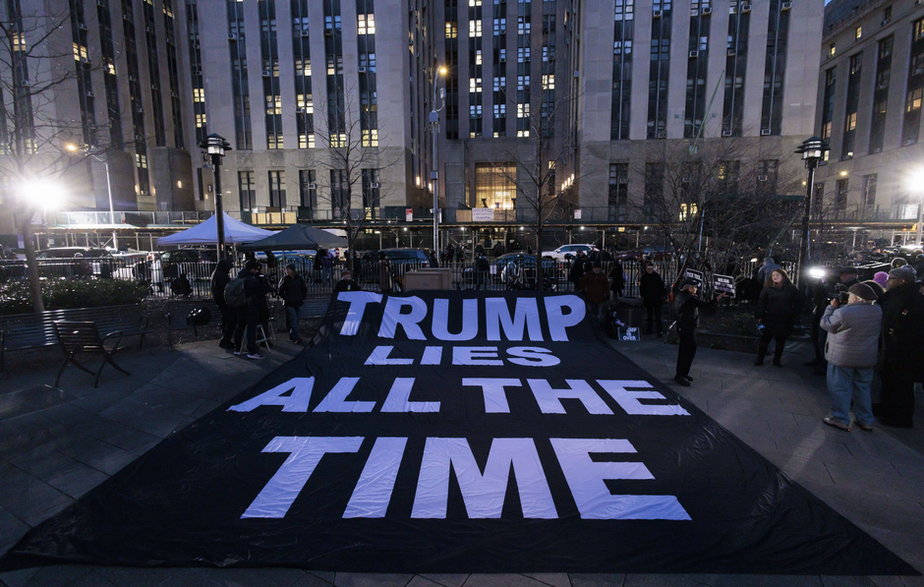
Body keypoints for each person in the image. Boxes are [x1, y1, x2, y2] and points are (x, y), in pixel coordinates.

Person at [819, 282, 882, 431]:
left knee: (840, 387)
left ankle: (840, 417)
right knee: (863, 388)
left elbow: (826, 324)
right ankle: (866, 420)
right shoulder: (877, 311)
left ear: (857, 298)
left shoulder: (843, 312)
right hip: (866, 357)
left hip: (843, 357)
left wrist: (831, 307)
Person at [875, 266, 924, 428]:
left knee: (901, 384)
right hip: (892, 346)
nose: (888, 281)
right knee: (888, 379)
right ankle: (886, 408)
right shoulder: (896, 295)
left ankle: (900, 417)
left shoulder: (912, 299)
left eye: (891, 278)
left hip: (905, 349)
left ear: (902, 281)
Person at [673, 279, 726, 386]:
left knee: (686, 349)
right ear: (689, 288)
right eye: (695, 287)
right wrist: (718, 298)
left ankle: (683, 373)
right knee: (688, 350)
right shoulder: (689, 298)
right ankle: (680, 375)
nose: (696, 289)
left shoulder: (682, 295)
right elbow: (706, 305)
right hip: (686, 327)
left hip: (684, 327)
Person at [754, 268, 801, 367]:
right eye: (773, 275)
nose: (775, 277)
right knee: (764, 340)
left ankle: (777, 360)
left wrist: (793, 314)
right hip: (769, 317)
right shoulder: (767, 288)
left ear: (783, 277)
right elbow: (761, 303)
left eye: (777, 275)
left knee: (780, 341)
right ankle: (760, 358)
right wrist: (759, 315)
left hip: (784, 318)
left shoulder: (791, 289)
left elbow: (798, 302)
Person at [232, 260, 271, 360]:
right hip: (250, 306)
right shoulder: (251, 279)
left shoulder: (240, 276)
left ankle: (238, 348)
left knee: (240, 326)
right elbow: (261, 290)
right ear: (252, 269)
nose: (257, 271)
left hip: (240, 305)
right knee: (251, 328)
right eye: (256, 269)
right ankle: (252, 350)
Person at [278, 264, 308, 345]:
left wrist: (302, 297)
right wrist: (287, 298)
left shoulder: (299, 278)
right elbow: (280, 291)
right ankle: (296, 337)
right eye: (286, 269)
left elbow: (304, 289)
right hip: (289, 303)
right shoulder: (285, 279)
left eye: (288, 269)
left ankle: (292, 335)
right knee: (294, 320)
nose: (287, 271)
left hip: (298, 302)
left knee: (296, 320)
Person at [211, 259, 236, 350]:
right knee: (230, 321)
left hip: (221, 301)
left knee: (226, 320)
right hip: (224, 301)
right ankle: (225, 340)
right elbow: (226, 288)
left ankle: (225, 339)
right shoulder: (220, 275)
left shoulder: (217, 273)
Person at [638, 264, 666, 336]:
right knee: (656, 315)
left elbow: (642, 289)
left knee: (651, 315)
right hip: (655, 298)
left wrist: (642, 296)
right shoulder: (656, 276)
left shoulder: (644, 277)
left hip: (650, 299)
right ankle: (658, 331)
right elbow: (662, 287)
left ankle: (651, 330)